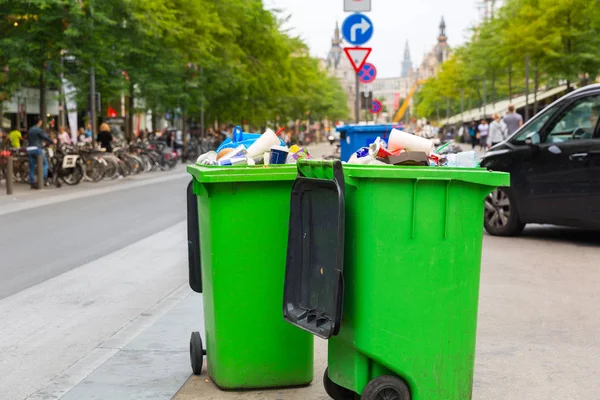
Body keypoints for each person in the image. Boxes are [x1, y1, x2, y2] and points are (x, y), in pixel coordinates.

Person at [27, 119, 54, 189]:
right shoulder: (38, 130)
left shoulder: (30, 130)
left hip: (29, 149)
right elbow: (45, 137)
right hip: (36, 148)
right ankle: (43, 179)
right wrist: (52, 141)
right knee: (45, 164)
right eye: (41, 122)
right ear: (39, 122)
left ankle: (32, 182)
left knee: (32, 167)